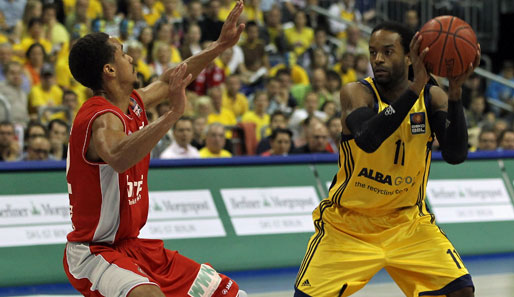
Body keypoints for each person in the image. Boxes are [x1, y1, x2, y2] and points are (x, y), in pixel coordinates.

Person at [63, 2, 246, 297]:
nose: (131, 56)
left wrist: (219, 46)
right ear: (109, 69)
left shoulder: (131, 103)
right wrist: (173, 114)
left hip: (132, 246)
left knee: (228, 292)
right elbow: (119, 156)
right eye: (123, 52)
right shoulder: (99, 117)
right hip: (94, 253)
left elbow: (171, 78)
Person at [295, 21, 480, 297]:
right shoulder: (356, 93)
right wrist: (415, 86)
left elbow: (456, 155)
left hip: (407, 223)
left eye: (387, 51)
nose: (377, 59)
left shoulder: (432, 97)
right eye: (372, 52)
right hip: (348, 225)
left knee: (461, 291)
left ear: (410, 57)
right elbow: (369, 139)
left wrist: (455, 93)